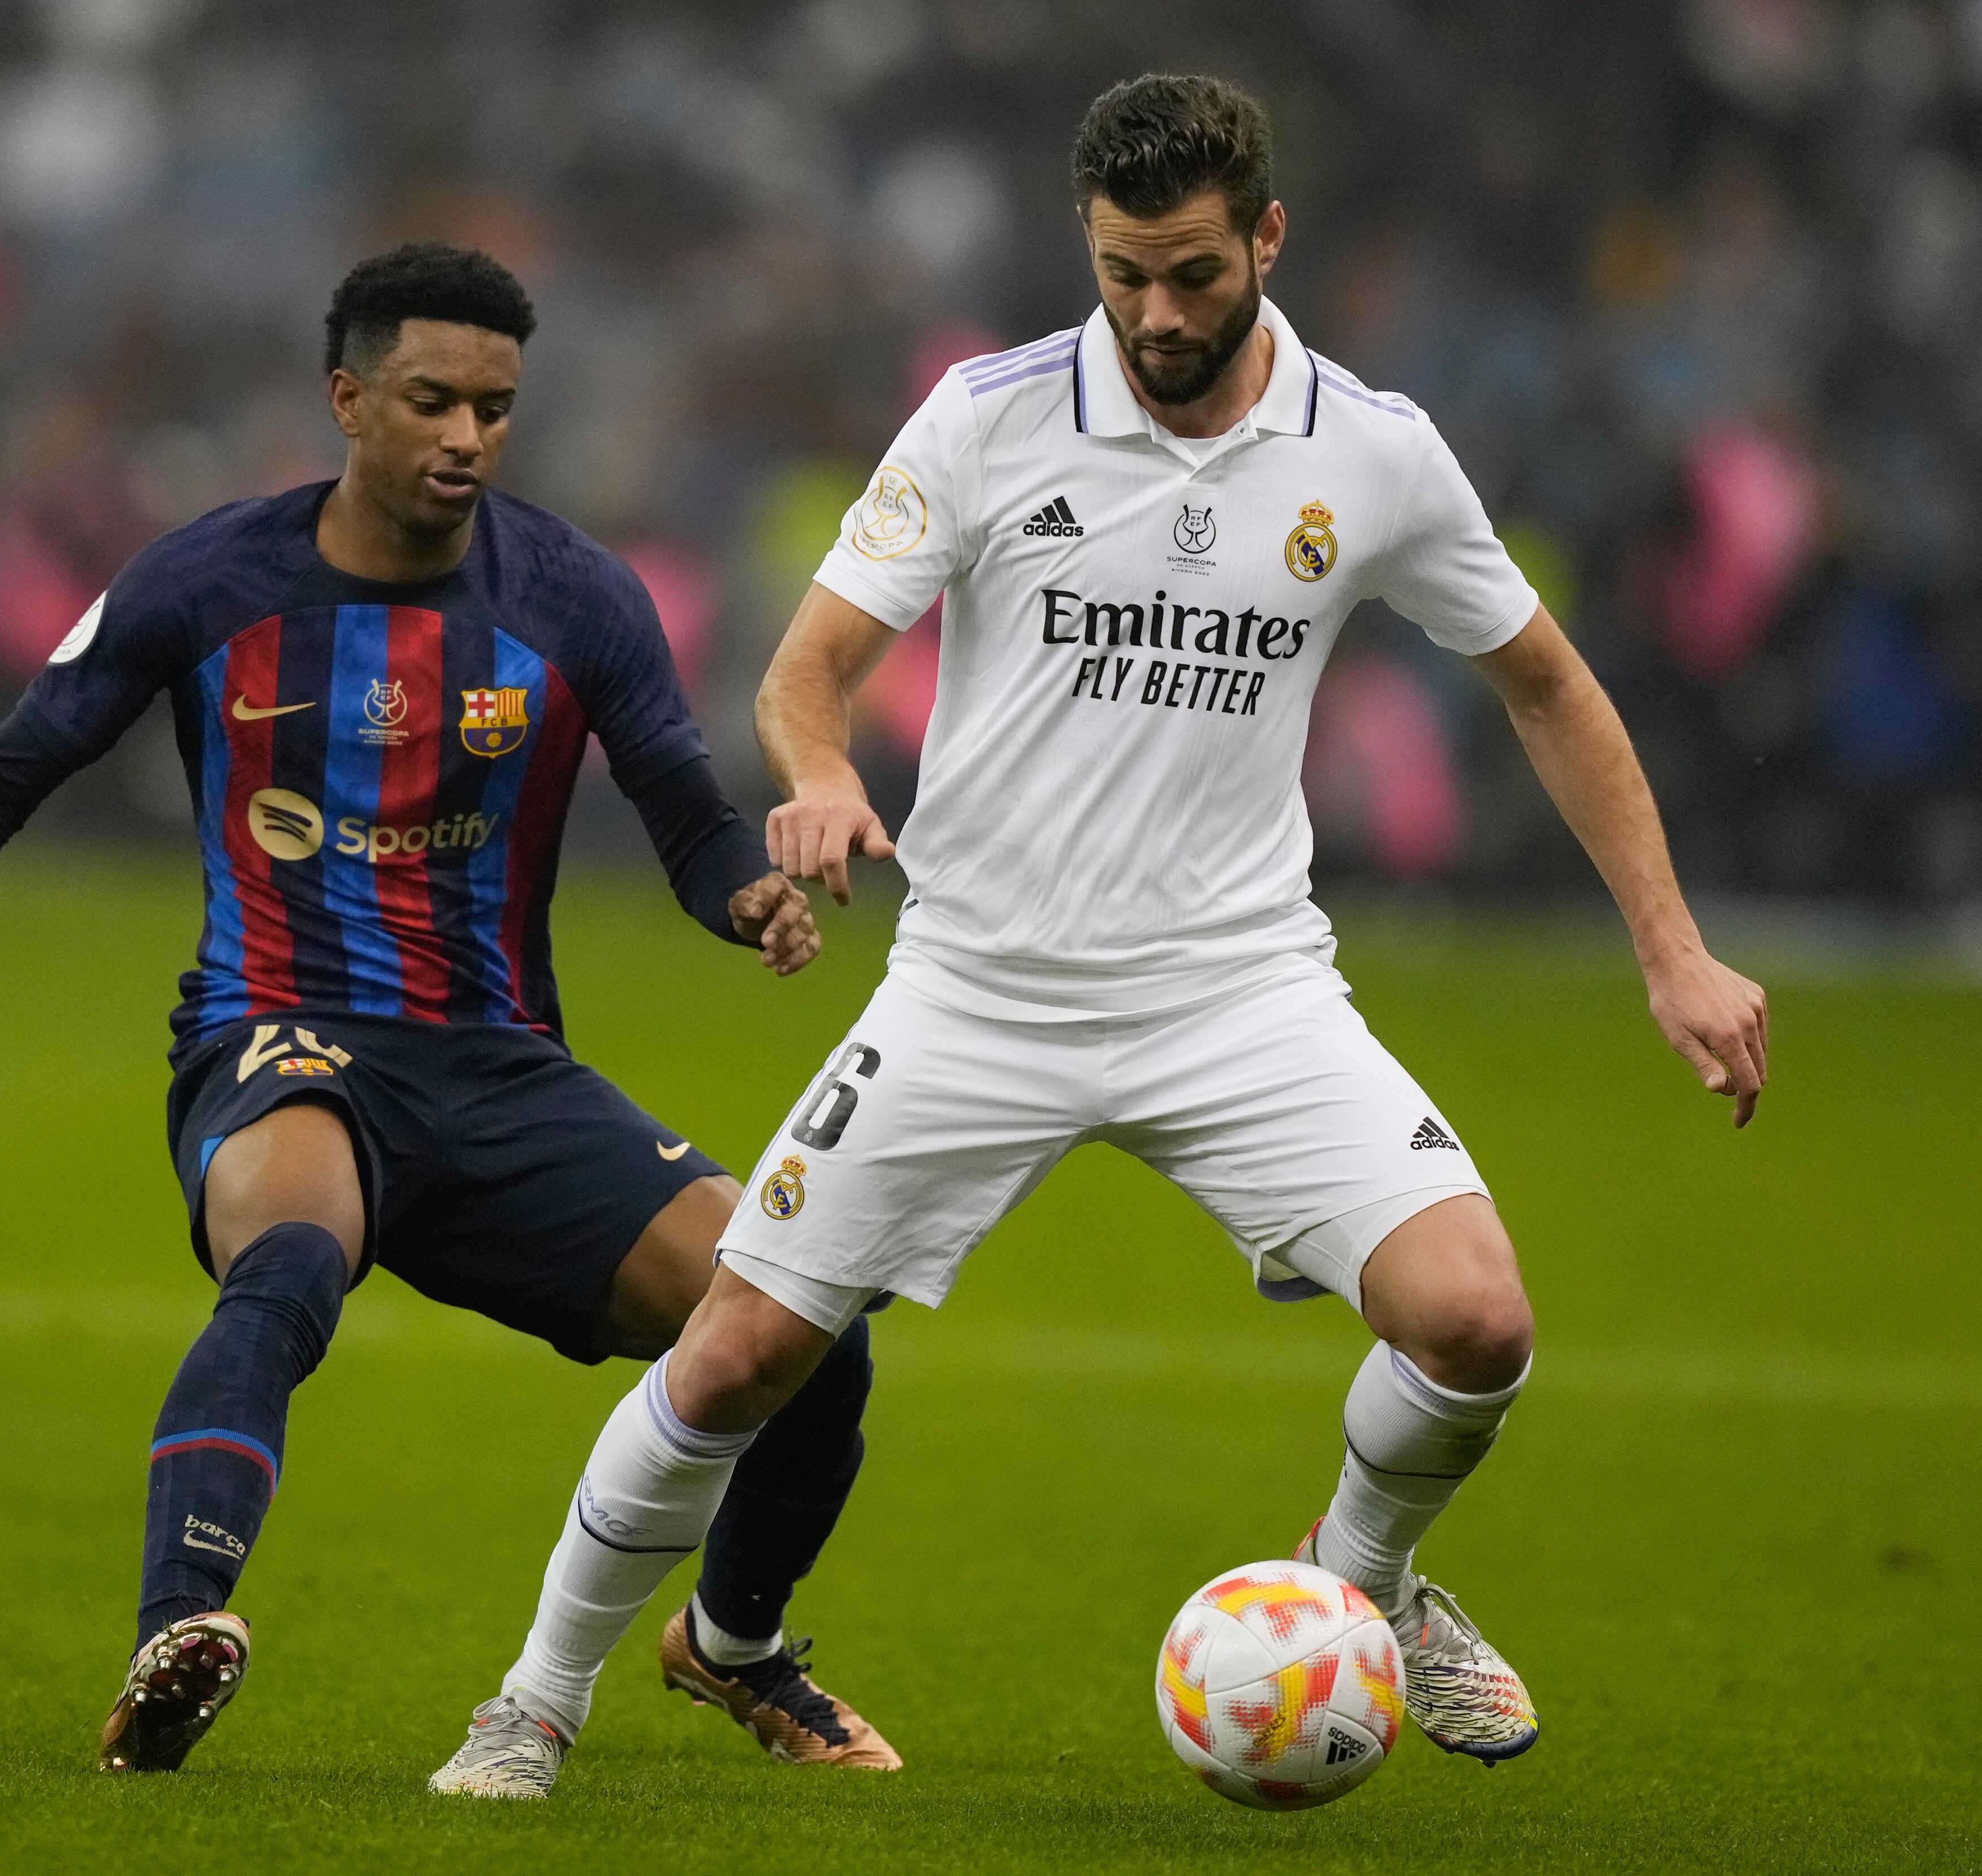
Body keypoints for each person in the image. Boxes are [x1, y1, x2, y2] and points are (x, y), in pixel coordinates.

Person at [430, 76, 1769, 1798]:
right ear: (1089, 243)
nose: (1157, 313)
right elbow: (804, 666)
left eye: (1197, 274)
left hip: (1240, 992)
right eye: (1127, 271)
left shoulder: (1374, 450)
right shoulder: (988, 418)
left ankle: (1357, 1587)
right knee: (743, 1351)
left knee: (1475, 1323)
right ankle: (537, 1698)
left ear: (1269, 239)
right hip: (982, 986)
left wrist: (1672, 948)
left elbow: (1547, 687)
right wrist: (823, 779)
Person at [0, 244, 901, 1780]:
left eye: (497, 408)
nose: (466, 435)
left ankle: (735, 1648)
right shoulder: (208, 582)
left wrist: (748, 895)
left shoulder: (573, 594)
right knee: (288, 1259)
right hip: (279, 1040)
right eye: (432, 399)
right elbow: (2, 775)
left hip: (500, 1068)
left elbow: (685, 816)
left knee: (806, 1328)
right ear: (347, 398)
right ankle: (176, 1634)